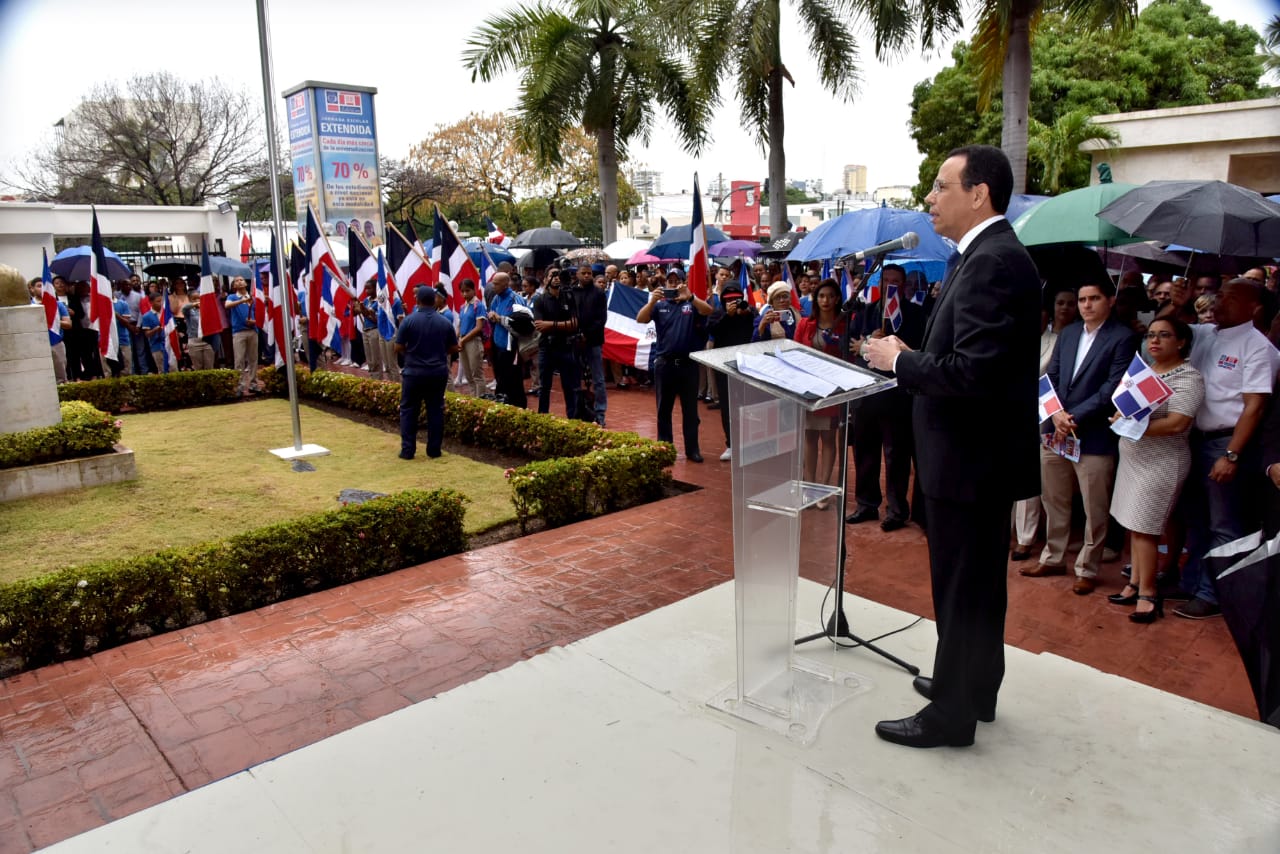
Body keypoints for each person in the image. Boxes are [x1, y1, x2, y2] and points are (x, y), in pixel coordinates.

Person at [864, 144, 1041, 748]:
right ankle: (972, 685)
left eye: (941, 187)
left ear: (979, 193)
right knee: (979, 583)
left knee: (962, 588)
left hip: (969, 459)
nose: (929, 199)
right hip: (974, 459)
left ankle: (951, 715)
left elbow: (973, 373)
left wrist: (901, 360)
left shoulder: (993, 261)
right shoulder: (985, 256)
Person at [1174, 278, 1279, 619]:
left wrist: (1231, 454)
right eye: (1219, 294)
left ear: (1255, 309)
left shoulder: (1257, 347)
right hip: (1194, 438)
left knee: (1224, 524)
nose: (1219, 301)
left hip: (1226, 443)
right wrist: (1179, 302)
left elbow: (1255, 407)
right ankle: (1190, 583)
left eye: (1231, 297)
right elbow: (1168, 335)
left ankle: (1215, 595)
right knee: (1196, 520)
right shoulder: (1205, 335)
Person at [1023, 280, 1137, 595]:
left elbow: (1112, 388)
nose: (1087, 305)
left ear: (1110, 301)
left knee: (1094, 506)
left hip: (1094, 434)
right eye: (1082, 299)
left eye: (1094, 299)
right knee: (1054, 499)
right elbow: (1053, 376)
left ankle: (1087, 567)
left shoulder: (1124, 337)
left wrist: (1071, 417)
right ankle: (1053, 557)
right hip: (1055, 429)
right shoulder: (1070, 333)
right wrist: (1056, 414)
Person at [1108, 317, 1204, 622]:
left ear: (1182, 342)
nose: (1155, 341)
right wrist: (1120, 417)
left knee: (1146, 527)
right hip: (1134, 459)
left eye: (1164, 335)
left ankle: (1149, 594)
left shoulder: (1188, 377)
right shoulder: (1145, 371)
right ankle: (1135, 582)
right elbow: (1125, 407)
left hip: (1161, 462)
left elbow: (1178, 422)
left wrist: (1131, 427)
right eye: (1151, 335)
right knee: (1132, 524)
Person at [846, 264, 923, 531]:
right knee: (865, 450)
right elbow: (853, 346)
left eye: (896, 282)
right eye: (887, 280)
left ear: (903, 286)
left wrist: (894, 344)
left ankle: (896, 509)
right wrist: (869, 341)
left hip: (898, 394)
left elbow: (919, 351)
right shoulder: (866, 311)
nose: (891, 285)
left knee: (896, 454)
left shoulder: (915, 314)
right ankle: (866, 504)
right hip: (867, 392)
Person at [1012, 287, 1078, 559]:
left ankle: (1025, 538)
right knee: (1006, 473)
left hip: (1040, 418)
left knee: (1030, 476)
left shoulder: (1057, 341)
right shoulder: (1012, 339)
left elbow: (1049, 379)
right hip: (1008, 413)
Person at [636, 268, 714, 463]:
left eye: (676, 281)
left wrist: (691, 297)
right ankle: (665, 448)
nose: (672, 285)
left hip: (688, 365)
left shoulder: (691, 303)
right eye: (669, 281)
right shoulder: (660, 305)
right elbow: (640, 318)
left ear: (682, 282)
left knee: (690, 411)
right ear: (665, 284)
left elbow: (708, 311)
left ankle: (692, 449)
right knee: (664, 410)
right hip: (665, 364)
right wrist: (652, 300)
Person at [795, 278, 851, 508]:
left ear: (837, 298)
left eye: (830, 296)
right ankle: (809, 486)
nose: (825, 300)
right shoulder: (806, 325)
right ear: (815, 299)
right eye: (821, 296)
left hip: (832, 389)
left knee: (828, 438)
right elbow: (795, 353)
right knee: (809, 437)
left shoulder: (846, 324)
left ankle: (824, 487)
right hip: (808, 388)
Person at [394, 285, 459, 460]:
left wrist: (410, 353)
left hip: (413, 372)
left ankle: (408, 451)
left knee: (408, 410)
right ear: (434, 300)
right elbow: (454, 347)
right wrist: (439, 352)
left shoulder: (408, 321)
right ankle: (434, 450)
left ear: (417, 300)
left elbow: (398, 346)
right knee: (436, 410)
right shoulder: (444, 321)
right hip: (437, 372)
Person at [706, 280, 757, 461]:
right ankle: (731, 444)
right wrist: (727, 316)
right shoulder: (717, 313)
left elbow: (757, 329)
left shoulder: (748, 311)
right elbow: (711, 330)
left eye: (736, 299)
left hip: (746, 363)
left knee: (748, 405)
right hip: (725, 364)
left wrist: (747, 314)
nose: (733, 303)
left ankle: (749, 443)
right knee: (727, 405)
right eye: (729, 300)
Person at [532, 268, 580, 417]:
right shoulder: (540, 300)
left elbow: (574, 324)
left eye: (559, 275)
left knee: (569, 386)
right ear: (545, 279)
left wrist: (551, 325)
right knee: (544, 386)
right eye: (552, 275)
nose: (556, 278)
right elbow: (539, 325)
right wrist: (562, 325)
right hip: (547, 347)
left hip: (566, 346)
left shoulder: (569, 297)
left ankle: (572, 418)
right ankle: (542, 416)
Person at [572, 264, 609, 426]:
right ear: (577, 274)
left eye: (590, 273)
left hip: (593, 340)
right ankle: (577, 410)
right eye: (584, 273)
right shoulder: (571, 292)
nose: (587, 276)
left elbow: (602, 318)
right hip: (574, 340)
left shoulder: (599, 293)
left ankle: (600, 413)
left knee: (598, 379)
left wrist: (587, 334)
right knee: (574, 378)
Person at [486, 271, 527, 408]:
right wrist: (491, 316)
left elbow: (524, 324)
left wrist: (500, 319)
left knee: (514, 382)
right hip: (498, 346)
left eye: (496, 284)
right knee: (501, 381)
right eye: (493, 283)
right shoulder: (496, 298)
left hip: (512, 348)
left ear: (505, 284)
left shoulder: (515, 299)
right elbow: (491, 315)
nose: (493, 287)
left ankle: (519, 408)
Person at [225, 276, 258, 395]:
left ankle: (254, 383)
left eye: (241, 280)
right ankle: (240, 385)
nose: (239, 281)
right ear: (234, 286)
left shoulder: (253, 297)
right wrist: (242, 301)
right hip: (239, 332)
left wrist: (255, 322)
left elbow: (259, 313)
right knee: (239, 360)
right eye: (236, 281)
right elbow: (227, 305)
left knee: (253, 359)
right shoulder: (232, 297)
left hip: (252, 330)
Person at [457, 279, 487, 396]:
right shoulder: (462, 307)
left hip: (473, 341)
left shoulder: (478, 305)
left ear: (474, 290)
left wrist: (463, 339)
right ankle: (473, 399)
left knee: (477, 374)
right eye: (462, 291)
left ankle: (481, 400)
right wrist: (458, 339)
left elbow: (478, 327)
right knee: (469, 374)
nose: (465, 294)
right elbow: (460, 325)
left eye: (467, 291)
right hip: (463, 341)